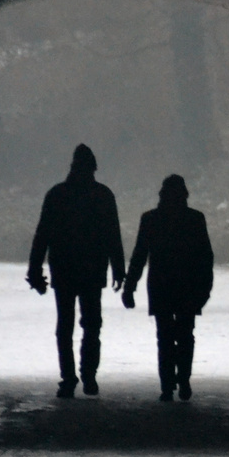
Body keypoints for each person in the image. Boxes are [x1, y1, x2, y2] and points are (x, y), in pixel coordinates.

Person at [27, 144, 126, 398]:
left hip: (64, 269)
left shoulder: (56, 195)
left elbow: (42, 235)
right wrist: (118, 268)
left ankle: (69, 378)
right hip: (92, 271)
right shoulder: (103, 195)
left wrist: (35, 270)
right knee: (92, 324)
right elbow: (112, 235)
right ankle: (89, 376)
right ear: (93, 167)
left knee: (65, 325)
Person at [122, 174, 214, 401]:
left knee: (164, 336)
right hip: (188, 287)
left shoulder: (151, 219)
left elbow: (139, 256)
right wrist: (205, 290)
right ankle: (183, 380)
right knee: (185, 336)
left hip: (160, 286)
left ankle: (167, 385)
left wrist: (129, 287)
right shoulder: (195, 219)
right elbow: (205, 257)